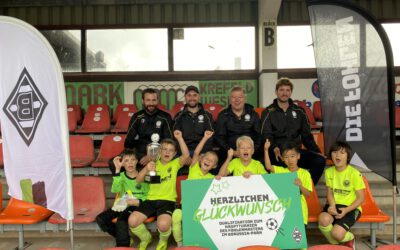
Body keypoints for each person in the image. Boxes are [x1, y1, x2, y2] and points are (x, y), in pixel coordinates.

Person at [128, 130, 189, 250]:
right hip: (150, 200)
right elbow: (138, 181)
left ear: (175, 153)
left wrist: (180, 137)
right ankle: (146, 238)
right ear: (159, 151)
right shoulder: (153, 163)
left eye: (171, 150)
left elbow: (186, 155)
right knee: (132, 221)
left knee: (164, 225)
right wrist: (146, 168)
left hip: (168, 201)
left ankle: (163, 240)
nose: (167, 152)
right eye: (164, 149)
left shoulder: (175, 164)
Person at [261, 77, 326, 184]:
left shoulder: (299, 111)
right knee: (268, 165)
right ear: (276, 92)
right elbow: (266, 134)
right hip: (278, 153)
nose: (284, 93)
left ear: (291, 92)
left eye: (287, 90)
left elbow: (307, 136)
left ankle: (305, 188)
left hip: (295, 153)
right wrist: (274, 148)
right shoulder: (268, 111)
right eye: (281, 90)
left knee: (319, 161)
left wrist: (317, 152)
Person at [171, 130, 217, 247]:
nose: (208, 161)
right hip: (186, 204)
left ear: (214, 166)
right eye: (206, 158)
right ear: (201, 160)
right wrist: (205, 138)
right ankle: (180, 243)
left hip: (202, 208)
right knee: (176, 216)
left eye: (211, 161)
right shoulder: (194, 168)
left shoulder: (212, 178)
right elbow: (196, 152)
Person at [96, 149, 149, 247]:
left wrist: (138, 201)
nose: (130, 163)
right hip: (123, 203)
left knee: (121, 221)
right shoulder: (120, 176)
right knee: (101, 219)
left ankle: (123, 245)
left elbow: (149, 195)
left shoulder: (143, 176)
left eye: (133, 160)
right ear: (122, 163)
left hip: (136, 205)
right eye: (126, 161)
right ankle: (124, 238)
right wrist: (117, 170)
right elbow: (115, 190)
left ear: (137, 161)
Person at [318, 141, 365, 249]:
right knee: (323, 219)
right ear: (331, 155)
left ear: (348, 156)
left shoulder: (354, 173)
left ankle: (350, 238)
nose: (338, 155)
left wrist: (346, 210)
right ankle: (336, 244)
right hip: (335, 204)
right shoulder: (329, 172)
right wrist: (332, 206)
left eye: (342, 153)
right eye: (335, 152)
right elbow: (329, 193)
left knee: (337, 234)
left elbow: (361, 198)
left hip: (351, 208)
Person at [264, 140, 312, 231]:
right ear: (282, 158)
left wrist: (300, 186)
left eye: (292, 156)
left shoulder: (305, 174)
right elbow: (268, 167)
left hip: (300, 212)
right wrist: (266, 150)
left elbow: (308, 194)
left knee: (299, 241)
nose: (290, 160)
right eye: (286, 157)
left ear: (298, 156)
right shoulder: (281, 171)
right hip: (284, 212)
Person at [125, 88, 173, 168]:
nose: (151, 103)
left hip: (160, 152)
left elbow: (169, 141)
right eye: (148, 100)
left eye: (154, 100)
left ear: (157, 101)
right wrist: (136, 156)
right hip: (140, 152)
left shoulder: (165, 117)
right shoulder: (137, 117)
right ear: (143, 101)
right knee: (113, 162)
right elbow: (128, 141)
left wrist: (152, 155)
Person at [215, 86, 262, 168]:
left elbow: (259, 136)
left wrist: (251, 151)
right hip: (229, 153)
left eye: (240, 97)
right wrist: (231, 151)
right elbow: (219, 137)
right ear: (230, 99)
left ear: (245, 99)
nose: (237, 100)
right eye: (233, 97)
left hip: (251, 153)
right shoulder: (223, 115)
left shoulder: (253, 114)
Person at [173, 85, 215, 163]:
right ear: (185, 97)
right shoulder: (178, 116)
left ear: (198, 97)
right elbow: (176, 138)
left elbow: (210, 138)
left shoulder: (207, 116)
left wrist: (202, 155)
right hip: (184, 152)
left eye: (194, 95)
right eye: (189, 95)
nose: (192, 98)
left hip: (203, 153)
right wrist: (185, 155)